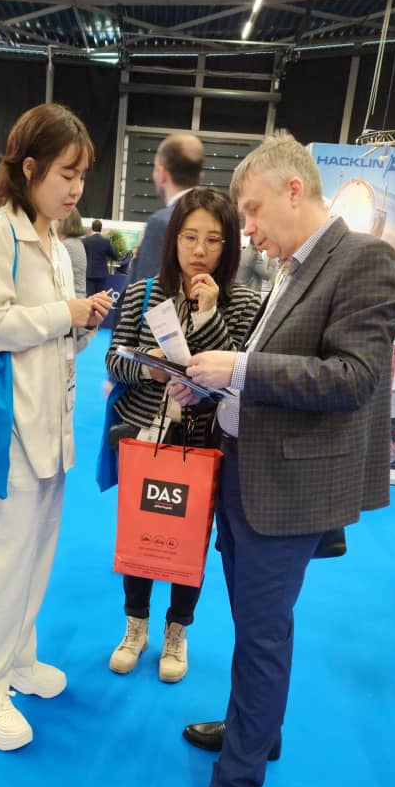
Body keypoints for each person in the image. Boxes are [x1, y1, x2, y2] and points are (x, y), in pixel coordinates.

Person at [164, 132, 395, 787]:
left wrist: (238, 369)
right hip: (249, 470)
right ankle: (256, 729)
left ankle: (234, 786)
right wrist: (214, 383)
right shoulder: (294, 266)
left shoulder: (364, 260)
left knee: (262, 632)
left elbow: (352, 378)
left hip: (290, 486)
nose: (247, 228)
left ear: (293, 189)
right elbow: (281, 366)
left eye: (251, 209)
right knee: (258, 625)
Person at [0, 103, 112, 751]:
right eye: (67, 173)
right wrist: (61, 314)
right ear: (31, 167)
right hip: (5, 430)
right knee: (4, 565)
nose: (76, 188)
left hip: (50, 425)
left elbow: (49, 335)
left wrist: (80, 325)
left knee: (36, 556)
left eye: (82, 175)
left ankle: (16, 658)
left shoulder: (57, 244)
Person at [105, 187, 261, 683]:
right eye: (190, 237)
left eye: (213, 240)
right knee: (140, 532)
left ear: (229, 245)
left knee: (190, 539)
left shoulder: (244, 303)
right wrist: (148, 370)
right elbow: (114, 359)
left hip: (204, 440)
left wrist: (209, 315)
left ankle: (177, 631)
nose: (199, 250)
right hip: (147, 434)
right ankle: (135, 626)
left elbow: (236, 376)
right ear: (174, 239)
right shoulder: (143, 293)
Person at [129, 134, 205, 284]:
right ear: (200, 175)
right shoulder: (217, 218)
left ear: (162, 174)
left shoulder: (161, 223)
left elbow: (144, 290)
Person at [57, 206, 87, 298]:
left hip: (72, 297)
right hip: (77, 296)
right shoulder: (76, 242)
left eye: (57, 220)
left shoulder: (66, 245)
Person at [83, 219, 118, 296]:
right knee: (101, 297)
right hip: (102, 274)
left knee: (90, 297)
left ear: (92, 228)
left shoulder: (85, 241)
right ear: (101, 229)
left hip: (89, 273)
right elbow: (114, 256)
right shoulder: (106, 241)